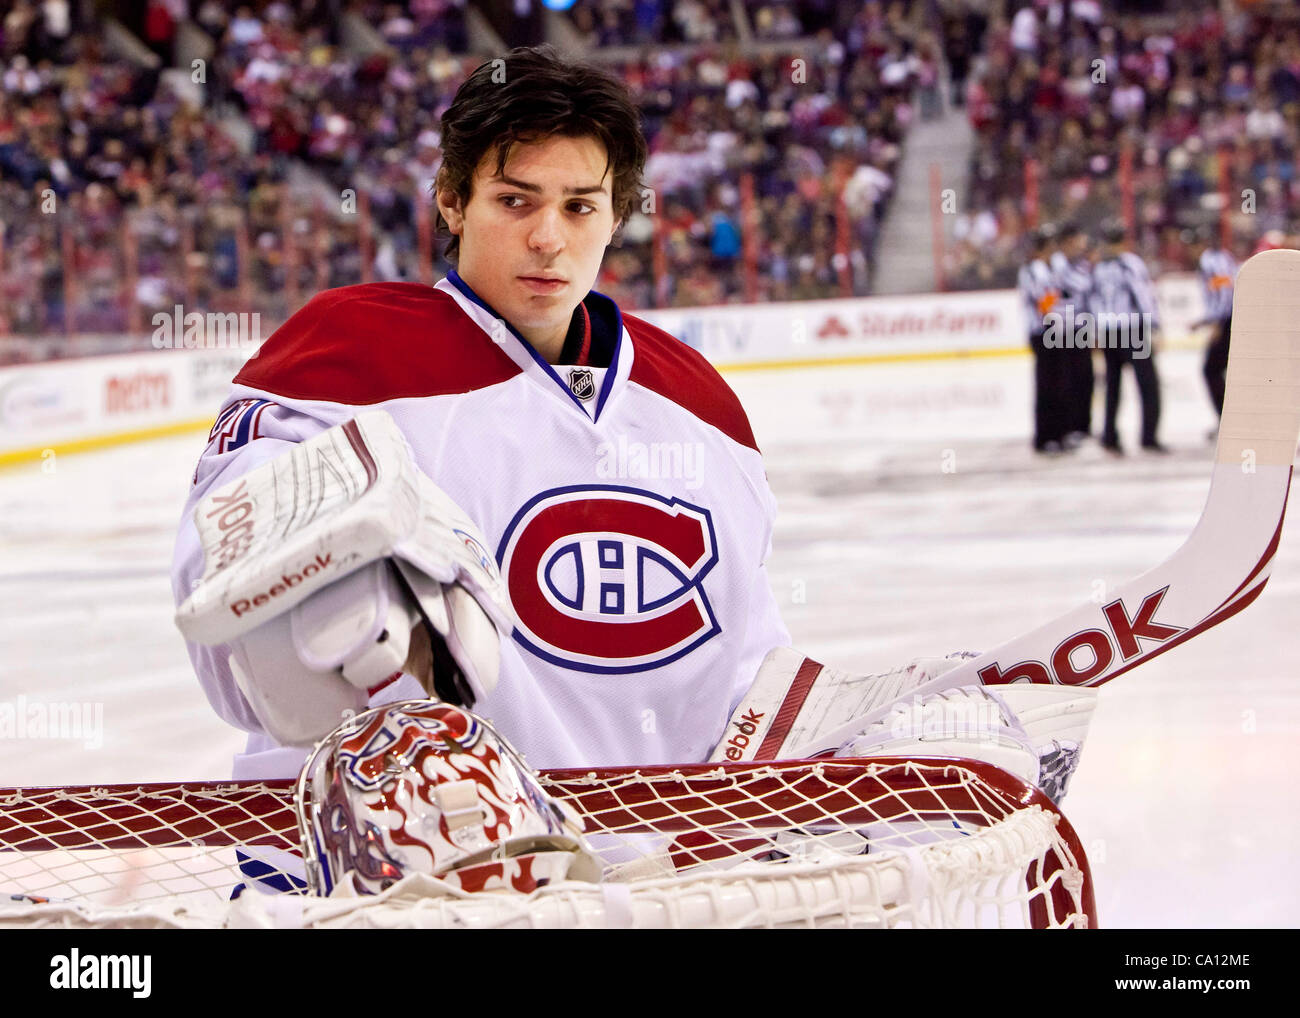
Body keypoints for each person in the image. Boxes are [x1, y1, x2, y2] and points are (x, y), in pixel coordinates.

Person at [172, 46, 792, 780]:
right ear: (452, 201)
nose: (549, 238)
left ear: (617, 214)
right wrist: (309, 595)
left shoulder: (701, 405)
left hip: (652, 874)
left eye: (580, 206)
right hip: (396, 876)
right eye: (515, 200)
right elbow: (223, 597)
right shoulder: (342, 356)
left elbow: (748, 671)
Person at [1089, 220, 1164, 455]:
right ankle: (1148, 437)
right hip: (1132, 329)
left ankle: (1110, 435)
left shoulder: (1098, 266)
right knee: (1147, 384)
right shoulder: (1129, 263)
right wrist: (1155, 326)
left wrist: (1094, 330)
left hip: (1108, 330)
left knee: (1113, 385)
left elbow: (1093, 300)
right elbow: (1143, 295)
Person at [1018, 223, 1068, 453]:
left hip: (1053, 330)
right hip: (1042, 331)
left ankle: (1057, 434)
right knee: (1046, 386)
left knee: (1058, 384)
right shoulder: (1033, 270)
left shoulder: (1049, 268)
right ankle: (1044, 436)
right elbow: (1044, 303)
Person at [1049, 223, 1095, 447]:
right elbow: (1078, 285)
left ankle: (1083, 426)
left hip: (1081, 326)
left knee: (1085, 377)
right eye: (1078, 239)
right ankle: (1069, 427)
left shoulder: (1081, 263)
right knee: (1067, 378)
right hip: (1063, 328)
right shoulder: (1057, 264)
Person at [1195, 227, 1237, 427]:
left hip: (1226, 322)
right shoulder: (1224, 257)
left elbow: (1223, 292)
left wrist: (1217, 322)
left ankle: (1227, 419)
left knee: (1211, 370)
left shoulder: (1209, 261)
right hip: (1229, 319)